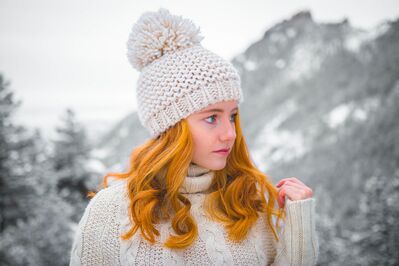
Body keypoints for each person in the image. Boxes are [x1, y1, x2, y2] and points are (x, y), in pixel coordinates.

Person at [69, 7, 319, 266]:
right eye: (212, 117)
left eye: (232, 116)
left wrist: (298, 222)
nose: (230, 134)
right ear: (171, 127)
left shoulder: (247, 200)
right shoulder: (109, 212)